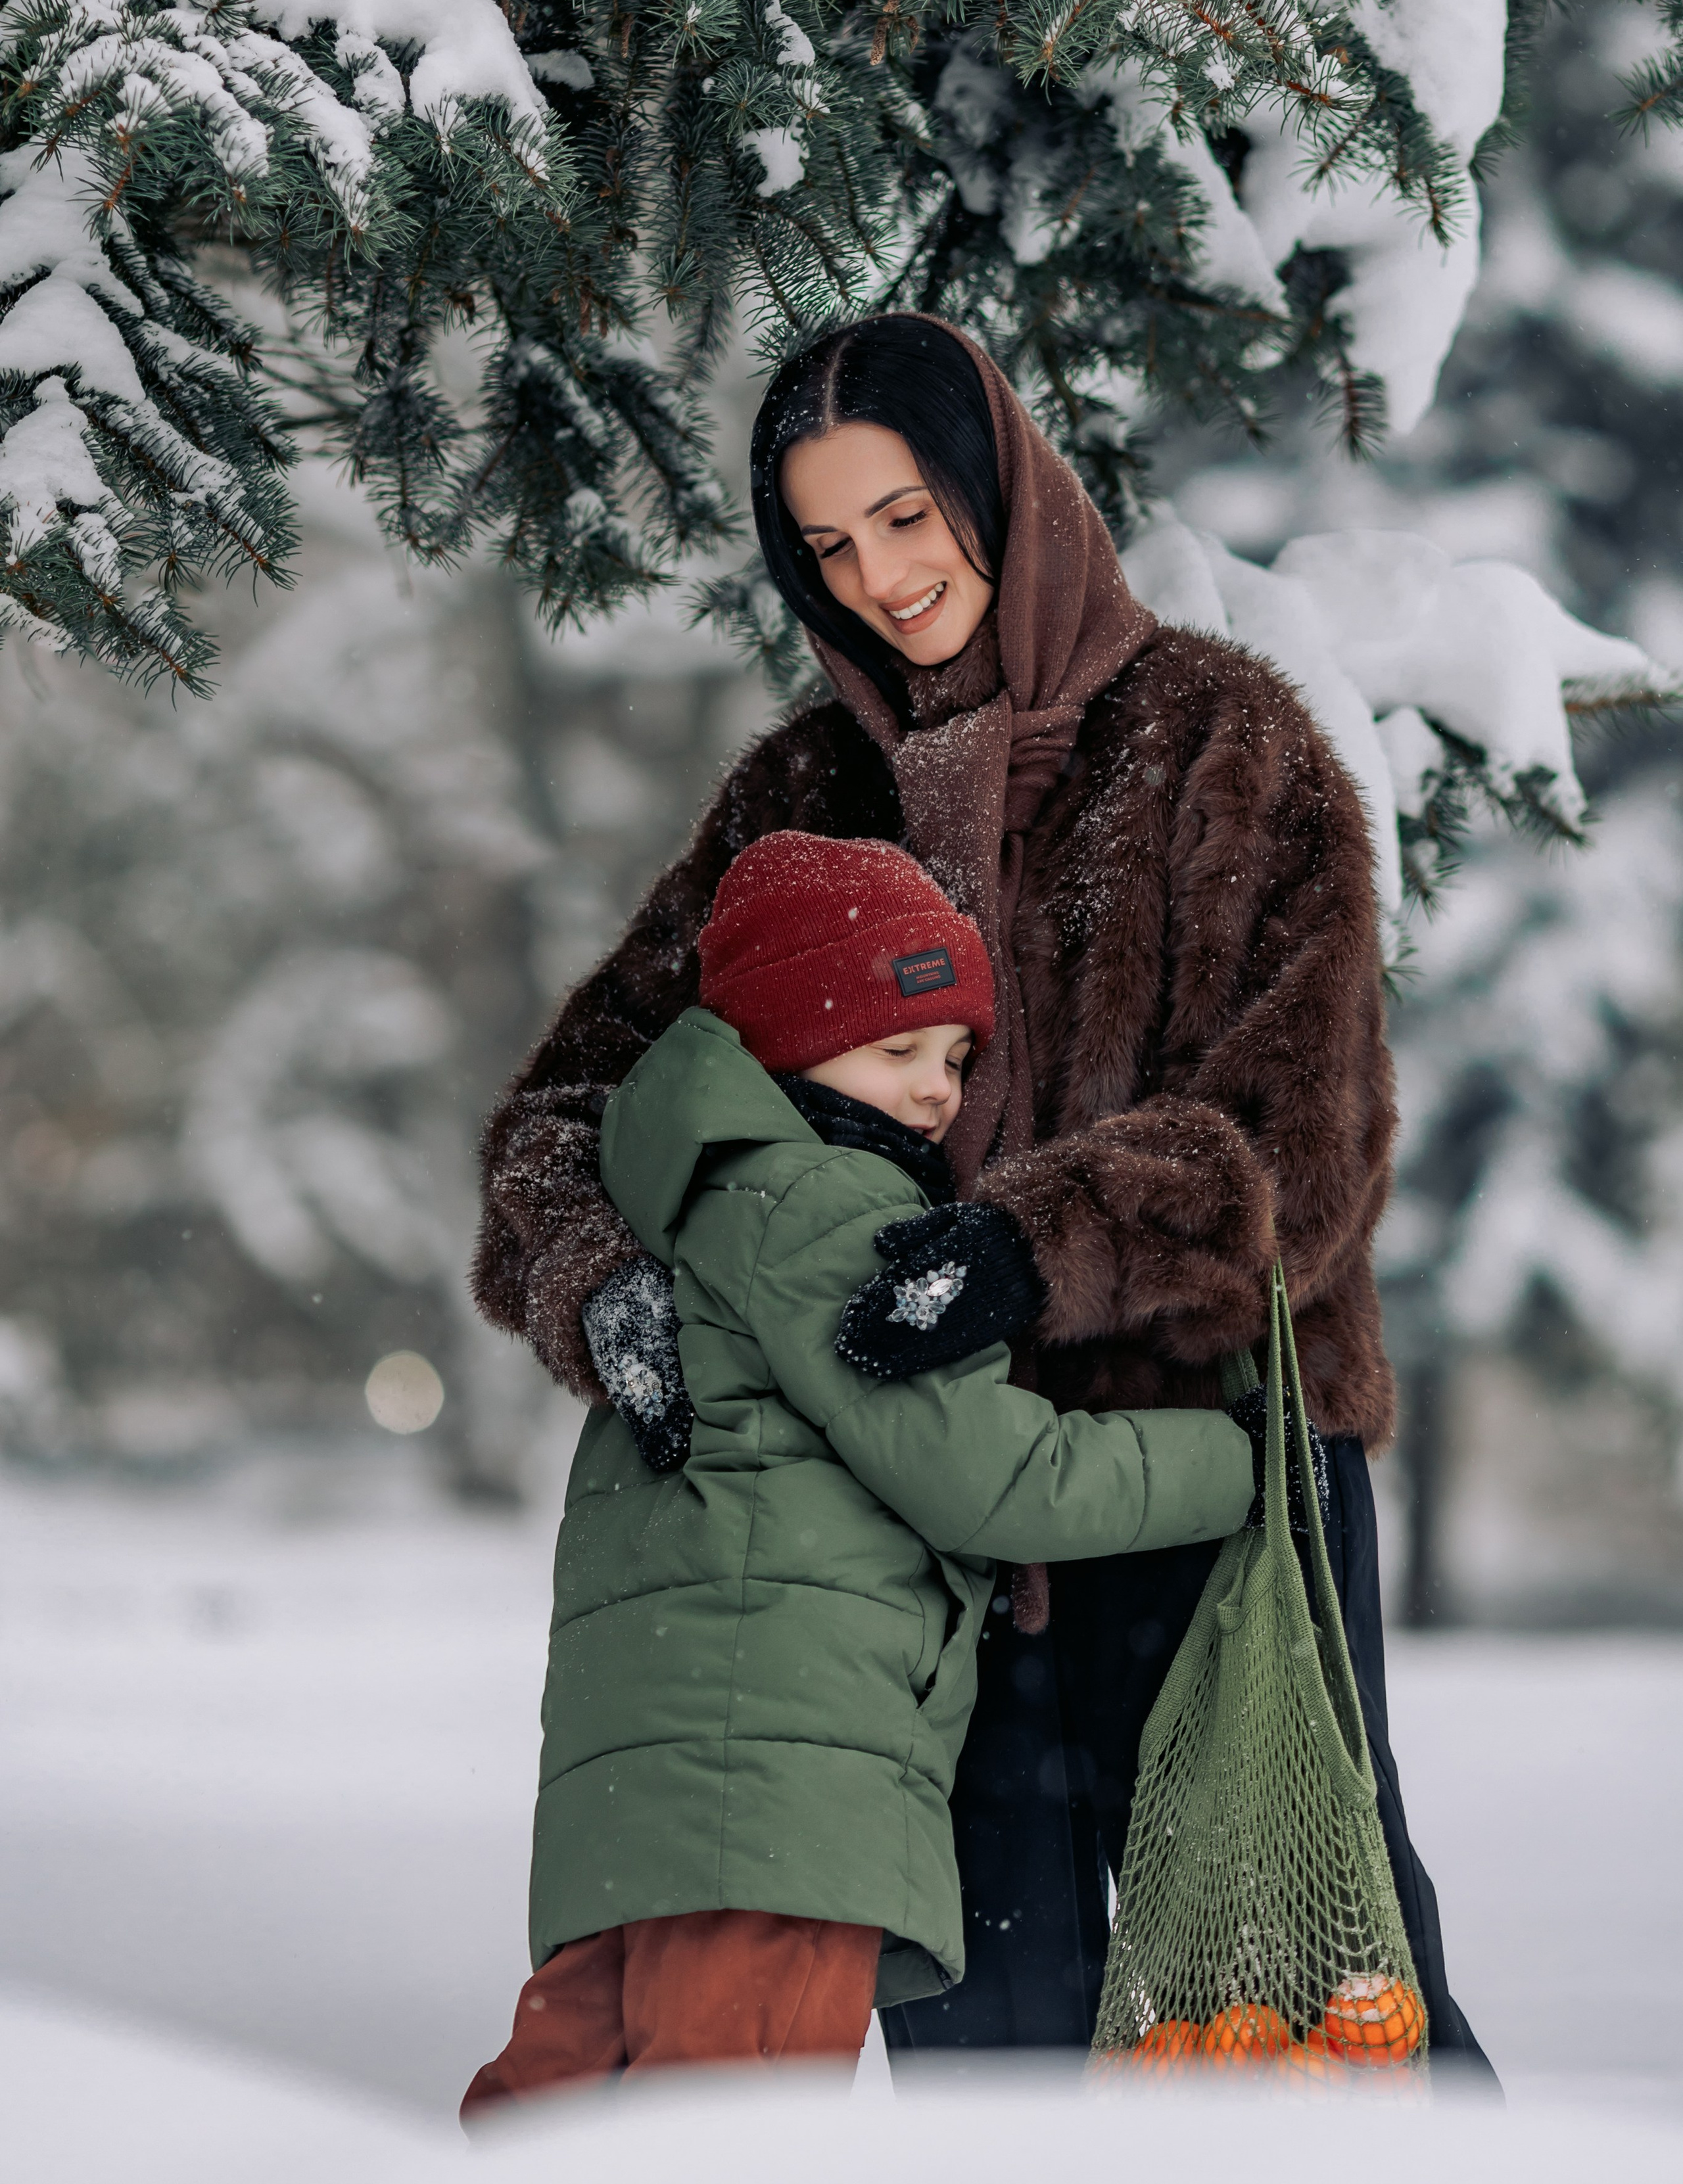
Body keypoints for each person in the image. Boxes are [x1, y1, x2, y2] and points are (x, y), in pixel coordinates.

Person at [474, 314, 1494, 2079]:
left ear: (994, 489)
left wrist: (1033, 1249)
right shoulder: (804, 797)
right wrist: (596, 1280)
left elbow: (1300, 1147)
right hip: (921, 1530)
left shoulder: (1222, 748)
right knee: (989, 2049)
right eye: (829, 543)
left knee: (1310, 2011)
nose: (880, 574)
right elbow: (579, 1107)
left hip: (1212, 1486)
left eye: (905, 515)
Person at [461, 833, 1258, 2104]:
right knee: (733, 2121)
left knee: (567, 2101)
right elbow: (992, 1479)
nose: (938, 1091)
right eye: (898, 1051)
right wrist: (1242, 1460)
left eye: (954, 1056)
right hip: (780, 1797)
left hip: (651, 1804)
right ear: (786, 1047)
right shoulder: (825, 1209)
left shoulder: (687, 1202)